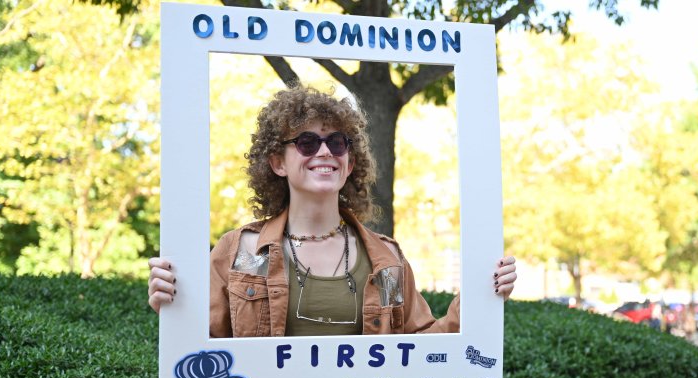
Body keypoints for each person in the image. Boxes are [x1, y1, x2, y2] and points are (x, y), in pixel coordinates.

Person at [148, 85, 517, 337]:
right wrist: (173, 308)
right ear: (278, 162)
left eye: (337, 143)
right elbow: (202, 350)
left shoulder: (388, 261)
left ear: (349, 163)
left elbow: (423, 349)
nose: (324, 152)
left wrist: (481, 296)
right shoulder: (239, 252)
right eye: (307, 142)